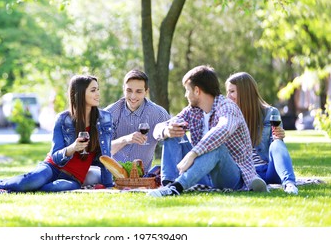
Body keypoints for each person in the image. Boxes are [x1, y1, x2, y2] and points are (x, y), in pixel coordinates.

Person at [0, 75, 114, 195]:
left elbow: (105, 156)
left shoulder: (105, 119)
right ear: (81, 93)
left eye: (97, 90)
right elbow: (56, 155)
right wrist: (72, 148)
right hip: (52, 168)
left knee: (59, 188)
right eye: (93, 90)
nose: (98, 94)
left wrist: (109, 186)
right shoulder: (63, 119)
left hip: (73, 178)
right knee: (33, 180)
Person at [147, 65, 267, 197]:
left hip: (231, 176)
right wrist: (166, 131)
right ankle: (168, 185)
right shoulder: (193, 110)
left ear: (197, 91)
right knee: (174, 129)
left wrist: (193, 153)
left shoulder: (227, 107)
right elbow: (158, 128)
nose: (185, 95)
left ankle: (177, 187)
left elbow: (223, 129)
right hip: (202, 172)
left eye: (187, 90)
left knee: (217, 148)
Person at [226, 72, 298, 194]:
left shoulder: (270, 113)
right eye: (227, 92)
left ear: (245, 92)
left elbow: (275, 147)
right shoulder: (228, 116)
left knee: (277, 144)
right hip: (245, 173)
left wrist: (278, 137)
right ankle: (255, 183)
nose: (228, 96)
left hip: (269, 170)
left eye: (232, 91)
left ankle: (290, 185)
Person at [104, 69, 171, 173]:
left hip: (143, 176)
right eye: (129, 90)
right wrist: (126, 139)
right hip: (112, 174)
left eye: (138, 91)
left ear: (146, 92)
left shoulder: (159, 114)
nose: (133, 96)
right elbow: (104, 151)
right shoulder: (109, 113)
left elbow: (172, 145)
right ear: (123, 89)